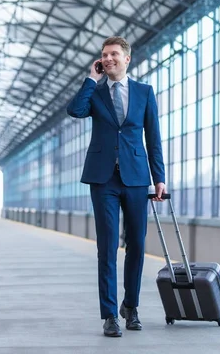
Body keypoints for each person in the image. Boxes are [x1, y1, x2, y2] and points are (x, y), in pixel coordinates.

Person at [66, 36, 166, 337]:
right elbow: (75, 111)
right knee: (107, 247)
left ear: (126, 58)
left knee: (136, 244)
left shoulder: (144, 92)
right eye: (104, 55)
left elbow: (154, 138)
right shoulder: (94, 93)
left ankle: (131, 307)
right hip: (102, 178)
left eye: (113, 54)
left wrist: (159, 177)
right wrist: (89, 78)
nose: (108, 58)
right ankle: (109, 314)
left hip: (136, 178)